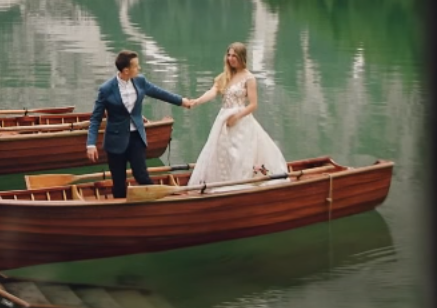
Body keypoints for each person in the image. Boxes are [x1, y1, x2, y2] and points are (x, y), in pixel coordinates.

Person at [86, 50, 193, 199]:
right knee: (118, 183)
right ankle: (121, 213)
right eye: (136, 66)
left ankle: (157, 203)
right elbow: (96, 118)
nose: (139, 68)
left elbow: (159, 92)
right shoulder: (106, 89)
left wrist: (182, 101)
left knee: (142, 175)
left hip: (136, 136)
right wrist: (91, 144)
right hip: (115, 140)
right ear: (125, 70)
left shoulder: (140, 81)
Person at [186, 42, 287, 189]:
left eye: (234, 56)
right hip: (223, 120)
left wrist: (236, 117)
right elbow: (212, 92)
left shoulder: (249, 78)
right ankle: (221, 183)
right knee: (221, 152)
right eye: (229, 55)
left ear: (242, 58)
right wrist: (197, 101)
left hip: (241, 120)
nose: (231, 58)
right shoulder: (225, 76)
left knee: (240, 155)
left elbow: (253, 104)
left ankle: (242, 184)